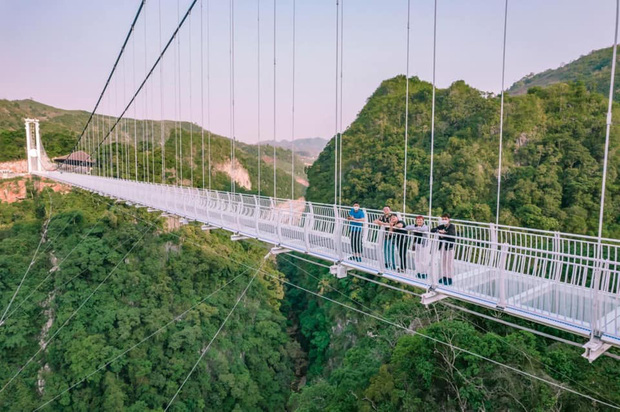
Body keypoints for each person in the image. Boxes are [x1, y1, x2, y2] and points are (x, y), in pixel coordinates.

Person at [430, 213, 456, 285]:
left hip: (449, 247)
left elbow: (451, 234)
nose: (444, 220)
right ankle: (444, 276)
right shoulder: (442, 226)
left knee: (449, 263)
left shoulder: (451, 226)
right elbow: (433, 229)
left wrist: (443, 234)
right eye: (443, 219)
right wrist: (439, 231)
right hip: (442, 247)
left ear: (449, 219)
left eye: (446, 219)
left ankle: (449, 278)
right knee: (443, 262)